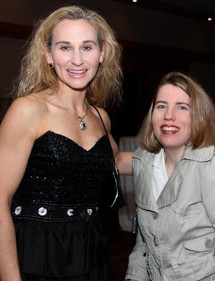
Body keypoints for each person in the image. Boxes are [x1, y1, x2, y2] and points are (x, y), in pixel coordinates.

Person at [0, 5, 123, 281]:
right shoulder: (28, 110)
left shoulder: (101, 117)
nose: (77, 60)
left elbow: (113, 160)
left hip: (92, 253)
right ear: (48, 55)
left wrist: (180, 152)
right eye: (65, 48)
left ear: (102, 54)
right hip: (36, 255)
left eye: (87, 47)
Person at [118, 71, 215, 281]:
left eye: (182, 107)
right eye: (161, 106)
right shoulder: (143, 163)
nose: (169, 115)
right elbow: (143, 242)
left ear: (198, 116)